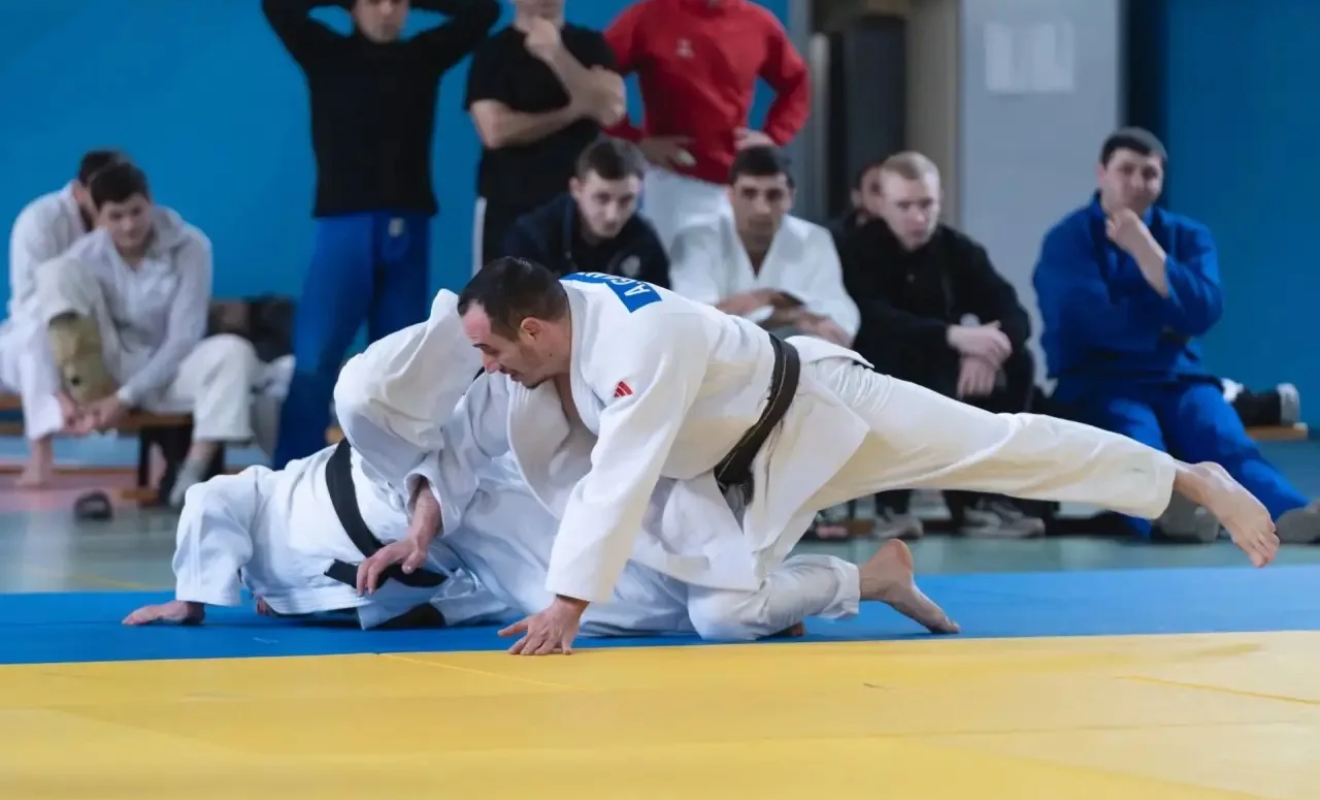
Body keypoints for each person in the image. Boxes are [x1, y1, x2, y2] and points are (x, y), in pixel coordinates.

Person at [351, 258, 1280, 656]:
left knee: (998, 446)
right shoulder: (548, 331)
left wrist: (566, 604)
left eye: (491, 350)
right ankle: (873, 579)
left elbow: (618, 480)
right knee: (722, 617)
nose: (485, 368)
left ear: (531, 330)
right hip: (738, 473)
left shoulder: (637, 342)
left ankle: (1186, 478)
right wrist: (429, 511)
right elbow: (486, 434)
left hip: (825, 412)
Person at [1033, 127, 1320, 544]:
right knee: (1138, 445)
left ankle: (1292, 515)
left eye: (1149, 173)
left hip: (1180, 378)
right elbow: (1083, 319)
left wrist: (1146, 250)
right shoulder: (1068, 240)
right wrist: (1169, 318)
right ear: (1102, 173)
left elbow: (1206, 310)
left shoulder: (1187, 235)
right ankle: (1169, 516)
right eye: (1126, 170)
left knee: (1224, 439)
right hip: (1102, 381)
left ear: (1162, 180)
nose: (1137, 182)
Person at [262, 0, 501, 469]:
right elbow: (278, 6)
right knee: (314, 358)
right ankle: (292, 473)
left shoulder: (422, 57)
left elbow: (482, 11)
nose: (388, 10)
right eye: (375, 1)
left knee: (397, 364)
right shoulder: (324, 52)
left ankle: (390, 474)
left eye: (398, 1)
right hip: (344, 228)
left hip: (408, 230)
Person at [34, 161, 262, 508]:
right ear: (98, 216)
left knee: (234, 352)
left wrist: (125, 398)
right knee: (54, 273)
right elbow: (45, 325)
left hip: (173, 368)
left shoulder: (192, 246)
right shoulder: (84, 257)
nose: (128, 225)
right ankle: (87, 400)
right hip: (114, 369)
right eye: (116, 216)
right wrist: (63, 396)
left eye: (136, 211)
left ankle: (192, 476)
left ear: (151, 201)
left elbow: (185, 336)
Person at [840, 151, 1044, 540]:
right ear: (881, 203)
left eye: (926, 204)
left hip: (949, 361)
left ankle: (983, 501)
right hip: (884, 362)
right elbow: (875, 321)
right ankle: (891, 504)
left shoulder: (958, 250)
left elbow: (1014, 313)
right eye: (904, 206)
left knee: (1020, 363)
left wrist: (990, 351)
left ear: (940, 200)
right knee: (901, 368)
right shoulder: (857, 250)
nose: (918, 218)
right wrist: (955, 337)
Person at [604, 0, 811, 250]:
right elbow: (596, 75)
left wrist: (773, 137)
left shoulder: (759, 24)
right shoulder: (650, 15)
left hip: (738, 185)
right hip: (671, 183)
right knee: (669, 273)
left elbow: (797, 83)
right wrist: (634, 141)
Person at [466, 0, 624, 269]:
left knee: (582, 293)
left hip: (580, 209)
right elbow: (495, 131)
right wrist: (572, 111)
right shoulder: (493, 52)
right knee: (502, 295)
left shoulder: (590, 45)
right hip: (509, 205)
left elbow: (611, 111)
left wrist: (556, 54)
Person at [1, 149, 126, 486]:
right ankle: (41, 450)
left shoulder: (127, 221)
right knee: (35, 339)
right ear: (79, 191)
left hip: (99, 339)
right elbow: (27, 307)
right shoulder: (39, 221)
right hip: (33, 340)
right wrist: (57, 391)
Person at [668, 145, 857, 345]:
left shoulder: (814, 239)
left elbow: (839, 323)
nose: (762, 209)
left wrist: (758, 302)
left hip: (794, 359)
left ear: (791, 197)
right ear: (730, 196)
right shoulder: (696, 238)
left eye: (774, 195)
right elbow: (697, 322)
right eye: (749, 194)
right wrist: (783, 309)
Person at [502, 138, 669, 286]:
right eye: (602, 198)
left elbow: (661, 308)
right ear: (576, 189)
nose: (612, 215)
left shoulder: (644, 243)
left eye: (626, 200)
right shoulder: (532, 239)